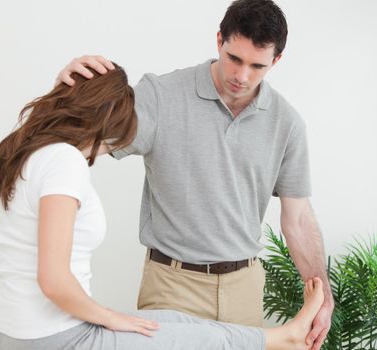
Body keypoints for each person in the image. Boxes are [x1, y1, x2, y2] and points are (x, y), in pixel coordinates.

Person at [0, 63, 325, 350]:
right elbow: (53, 280)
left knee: (182, 327)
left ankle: (284, 338)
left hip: (15, 334)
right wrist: (103, 315)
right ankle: (286, 340)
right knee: (208, 340)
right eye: (112, 136)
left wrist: (38, 296)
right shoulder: (64, 160)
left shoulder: (12, 150)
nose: (106, 149)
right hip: (61, 337)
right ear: (103, 119)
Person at [53, 0, 334, 349]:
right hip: (172, 283)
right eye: (234, 58)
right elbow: (83, 145)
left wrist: (323, 295)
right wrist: (67, 91)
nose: (241, 76)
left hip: (244, 288)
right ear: (219, 40)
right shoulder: (160, 95)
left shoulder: (286, 123)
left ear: (276, 61)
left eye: (257, 65)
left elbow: (299, 219)